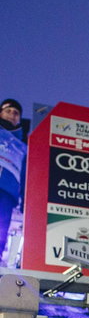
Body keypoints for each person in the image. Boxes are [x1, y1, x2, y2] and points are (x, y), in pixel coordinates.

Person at [0, 98, 27, 263]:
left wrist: (23, 201)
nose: (12, 115)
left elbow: (25, 175)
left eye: (16, 113)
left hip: (8, 194)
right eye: (8, 111)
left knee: (1, 230)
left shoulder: (23, 146)